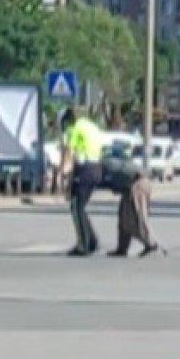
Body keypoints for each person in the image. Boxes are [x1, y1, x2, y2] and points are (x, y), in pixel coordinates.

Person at [60, 108, 104, 257]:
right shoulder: (91, 126)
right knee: (80, 207)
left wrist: (64, 172)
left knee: (76, 207)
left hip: (84, 169)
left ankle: (84, 245)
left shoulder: (76, 127)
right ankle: (92, 241)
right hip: (96, 168)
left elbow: (69, 151)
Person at [110, 160, 163, 258]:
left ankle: (152, 245)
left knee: (137, 216)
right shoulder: (107, 166)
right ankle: (122, 248)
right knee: (123, 216)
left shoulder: (99, 170)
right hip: (133, 184)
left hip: (137, 184)